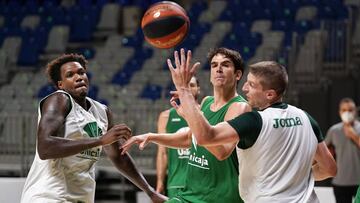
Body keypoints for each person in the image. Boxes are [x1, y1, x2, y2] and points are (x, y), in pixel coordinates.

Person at [156, 52, 337, 203]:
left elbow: (206, 137)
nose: (244, 89)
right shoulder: (306, 118)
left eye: (251, 84)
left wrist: (184, 89)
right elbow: (330, 169)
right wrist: (297, 178)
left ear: (269, 94)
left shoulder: (253, 121)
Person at [20, 54, 167, 203]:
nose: (79, 77)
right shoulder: (59, 99)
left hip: (80, 196)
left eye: (81, 72)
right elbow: (45, 148)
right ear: (61, 85)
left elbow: (118, 157)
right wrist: (100, 141)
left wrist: (150, 192)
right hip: (49, 195)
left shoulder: (102, 111)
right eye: (70, 75)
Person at [123, 48, 251, 202]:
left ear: (237, 74)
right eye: (214, 65)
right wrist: (152, 136)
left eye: (225, 65)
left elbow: (221, 152)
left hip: (220, 196)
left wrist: (185, 93)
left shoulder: (240, 107)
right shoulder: (206, 102)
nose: (218, 69)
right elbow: (190, 139)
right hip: (192, 193)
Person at [156, 76, 200, 197]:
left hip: (203, 182)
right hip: (176, 183)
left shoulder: (207, 113)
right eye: (185, 86)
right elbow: (162, 153)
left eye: (191, 85)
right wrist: (160, 182)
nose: (188, 89)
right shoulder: (166, 116)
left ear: (198, 89)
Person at [325, 98, 360, 203]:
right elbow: (324, 151)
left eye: (350, 110)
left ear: (355, 111)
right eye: (344, 110)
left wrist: (353, 135)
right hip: (340, 182)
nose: (347, 113)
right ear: (339, 112)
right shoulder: (334, 130)